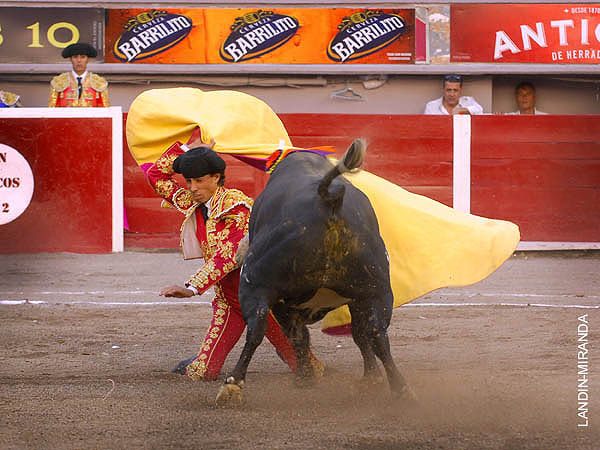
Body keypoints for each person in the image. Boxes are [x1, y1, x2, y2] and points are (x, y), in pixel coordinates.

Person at [146, 136, 322, 380]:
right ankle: (201, 360)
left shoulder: (235, 206)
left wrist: (192, 288)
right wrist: (187, 151)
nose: (192, 188)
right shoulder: (194, 203)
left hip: (263, 300)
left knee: (308, 371)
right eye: (189, 181)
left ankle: (294, 353)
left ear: (216, 177)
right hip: (228, 301)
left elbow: (229, 254)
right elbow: (156, 176)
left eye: (199, 180)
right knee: (202, 373)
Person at [48, 42, 109, 107]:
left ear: (88, 60)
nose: (79, 60)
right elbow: (52, 109)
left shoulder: (99, 82)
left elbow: (105, 109)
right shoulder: (58, 81)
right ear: (70, 59)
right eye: (75, 57)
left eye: (83, 57)